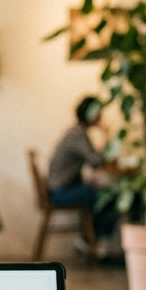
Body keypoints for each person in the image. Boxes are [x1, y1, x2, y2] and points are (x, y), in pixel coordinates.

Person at [45, 96, 118, 251]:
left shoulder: (75, 132)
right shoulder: (77, 134)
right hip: (61, 192)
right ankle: (93, 242)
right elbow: (96, 161)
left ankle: (90, 239)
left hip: (60, 188)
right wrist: (107, 136)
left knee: (102, 193)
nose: (101, 116)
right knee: (109, 196)